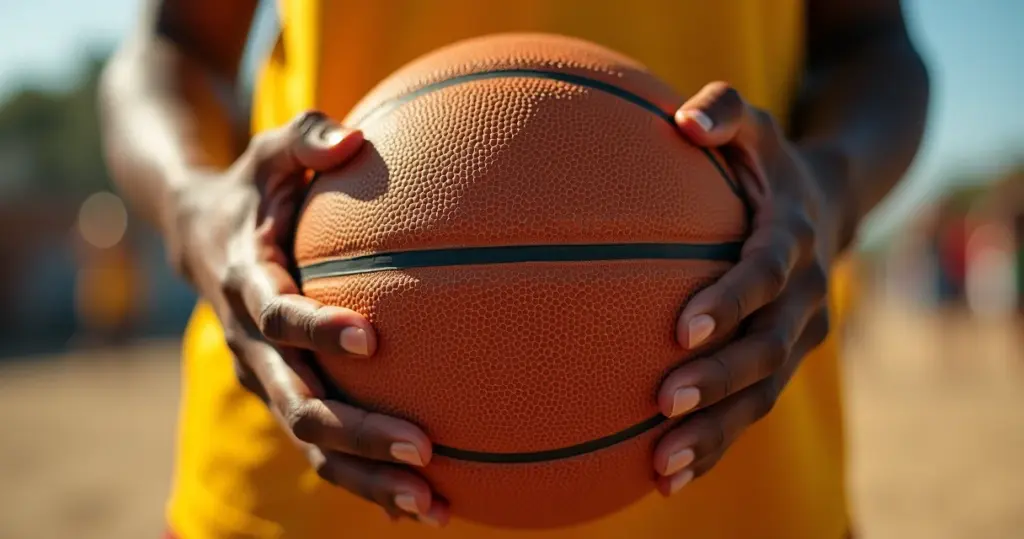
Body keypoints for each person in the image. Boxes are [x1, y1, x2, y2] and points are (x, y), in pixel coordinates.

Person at [98, 1, 929, 537]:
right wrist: (191, 203)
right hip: (303, 459)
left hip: (744, 469)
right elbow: (173, 45)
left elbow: (872, 46)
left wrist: (833, 185)